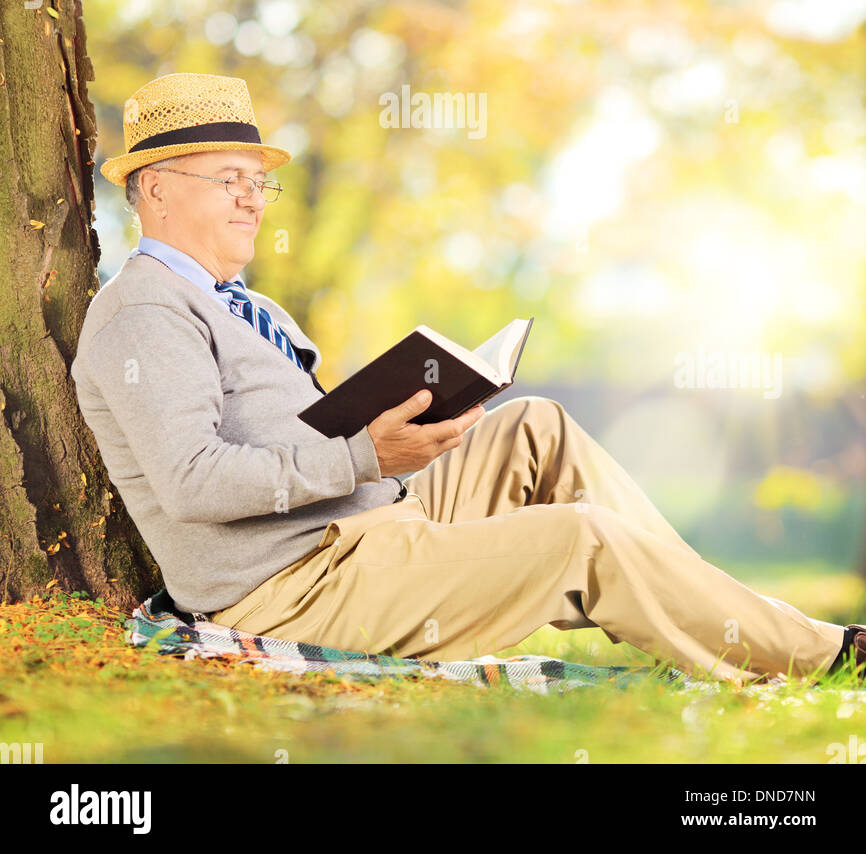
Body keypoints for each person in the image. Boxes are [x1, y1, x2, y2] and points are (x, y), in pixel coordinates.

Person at [72, 71, 865, 685]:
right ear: (156, 190)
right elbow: (191, 482)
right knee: (577, 539)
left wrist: (408, 424)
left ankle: (705, 615)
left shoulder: (250, 304)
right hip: (303, 580)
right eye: (228, 178)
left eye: (258, 179)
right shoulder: (145, 311)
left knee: (534, 426)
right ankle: (829, 655)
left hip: (370, 521)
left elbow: (295, 435)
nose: (253, 197)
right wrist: (364, 457)